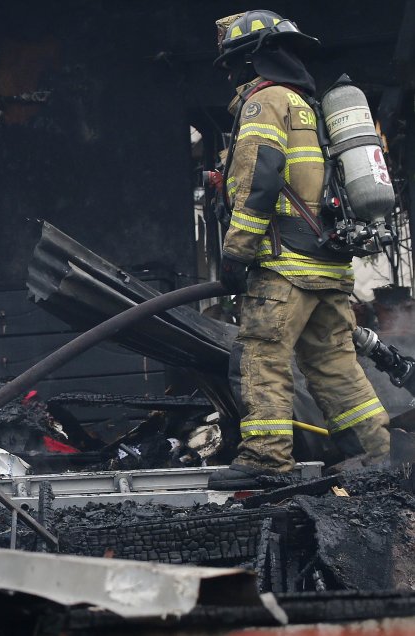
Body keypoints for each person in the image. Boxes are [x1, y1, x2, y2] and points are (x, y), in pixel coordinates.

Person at [207, 12, 390, 490]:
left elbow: (259, 177)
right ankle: (379, 457)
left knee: (260, 355)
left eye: (233, 64)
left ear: (252, 59)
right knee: (334, 364)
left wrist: (237, 251)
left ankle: (267, 459)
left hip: (283, 265)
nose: (232, 76)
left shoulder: (265, 102)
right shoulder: (310, 106)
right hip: (327, 266)